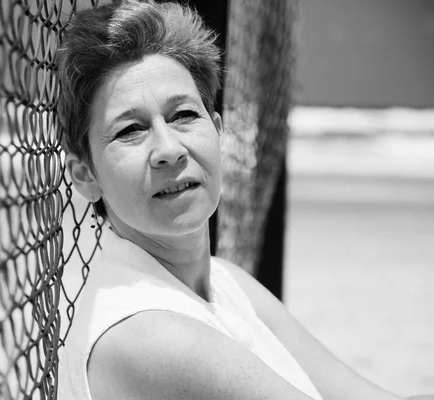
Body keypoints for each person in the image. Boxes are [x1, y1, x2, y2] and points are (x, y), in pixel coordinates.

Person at [56, 1, 434, 399]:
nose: (169, 149)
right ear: (85, 175)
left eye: (184, 115)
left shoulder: (225, 281)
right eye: (130, 129)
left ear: (217, 131)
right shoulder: (147, 332)